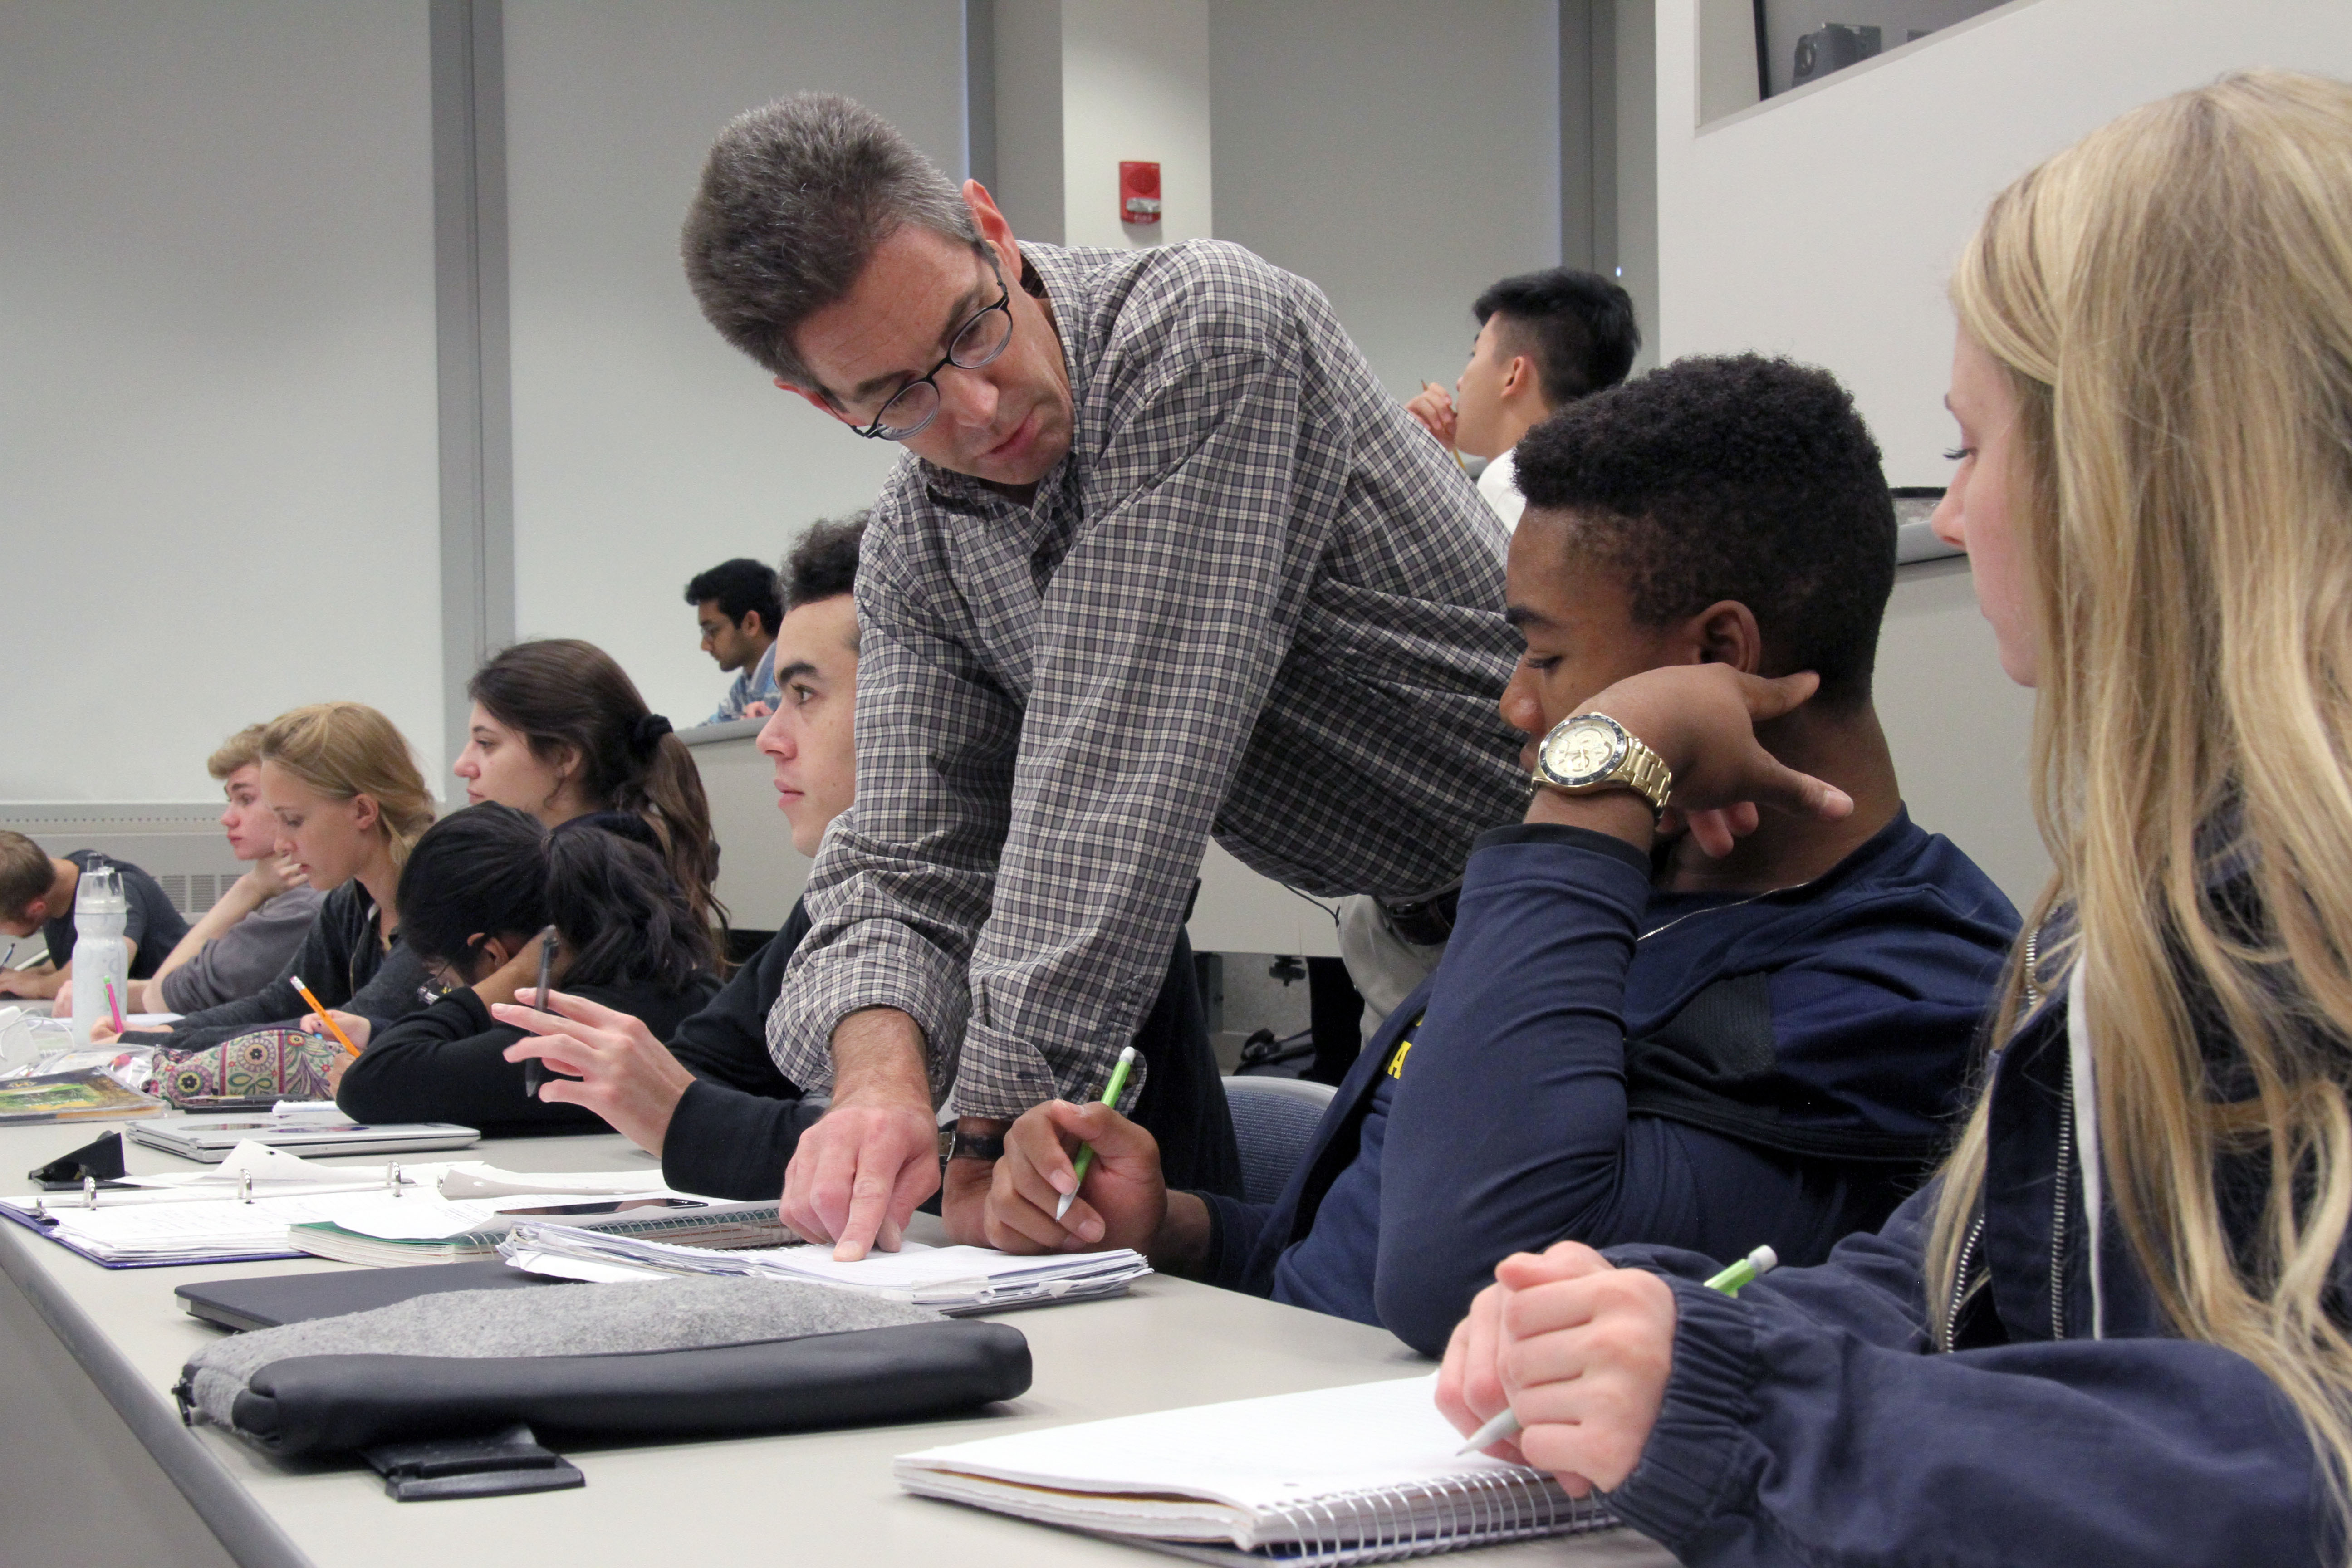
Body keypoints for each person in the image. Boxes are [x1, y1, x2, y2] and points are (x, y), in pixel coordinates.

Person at [1433, 72, 2352, 1567]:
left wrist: (1758, 1416)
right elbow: (1954, 1274)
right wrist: (1684, 1325)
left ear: (2143, 478)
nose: (1961, 509)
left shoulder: (2281, 920)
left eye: (1978, 447)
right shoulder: (2128, 911)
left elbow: (2306, 1462)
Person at [980, 355, 2019, 1357]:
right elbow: (1364, 1278)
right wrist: (1182, 1231)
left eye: (1550, 654)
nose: (1518, 705)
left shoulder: (1894, 990)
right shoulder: (1628, 904)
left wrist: (1602, 767)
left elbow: (1463, 1276)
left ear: (1714, 661)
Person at [681, 93, 1528, 1256]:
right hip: (1429, 934)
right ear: (821, 401)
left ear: (993, 230)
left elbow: (1112, 784)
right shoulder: (919, 547)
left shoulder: (1199, 331)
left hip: (1639, 876)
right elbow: (903, 863)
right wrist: (878, 1078)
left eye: (970, 327)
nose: (974, 408)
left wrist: (985, 1134)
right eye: (896, 396)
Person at [496, 517, 859, 1194]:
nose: (768, 738)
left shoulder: (587, 861)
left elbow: (946, 1165)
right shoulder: (841, 890)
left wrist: (720, 1124)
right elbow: (694, 1073)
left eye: (804, 695)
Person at [333, 805, 719, 1134]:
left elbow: (370, 1083)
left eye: (446, 983)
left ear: (494, 955)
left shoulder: (571, 1037)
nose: (450, 994)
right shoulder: (681, 989)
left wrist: (514, 978)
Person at [115, 703, 437, 1053]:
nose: (281, 843)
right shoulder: (351, 900)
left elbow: (341, 1033)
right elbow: (279, 1003)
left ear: (362, 810)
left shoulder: (436, 905)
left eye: (294, 820)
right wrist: (162, 1033)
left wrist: (169, 1039)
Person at [455, 638, 727, 965]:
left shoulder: (579, 896)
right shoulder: (632, 871)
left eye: (486, 743)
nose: (462, 766)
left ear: (563, 757)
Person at [1403, 268, 1640, 532]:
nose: (1460, 383)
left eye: (1474, 356)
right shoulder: (1602, 487)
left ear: (1513, 375)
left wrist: (1401, 457)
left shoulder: (1510, 483)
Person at [133, 724, 326, 1014]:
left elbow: (159, 1000)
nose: (227, 818)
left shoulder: (303, 906)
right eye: (230, 801)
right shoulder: (294, 895)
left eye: (246, 800)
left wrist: (248, 888)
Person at [0, 833, 189, 1003]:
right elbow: (72, 953)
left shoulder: (112, 893)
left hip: (175, 1017)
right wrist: (31, 975)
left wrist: (37, 986)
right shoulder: (52, 880)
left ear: (36, 909)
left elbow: (96, 976)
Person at [684, 556, 784, 723]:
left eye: (712, 631)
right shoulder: (745, 687)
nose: (704, 646)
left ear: (751, 624)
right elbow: (710, 736)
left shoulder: (790, 680)